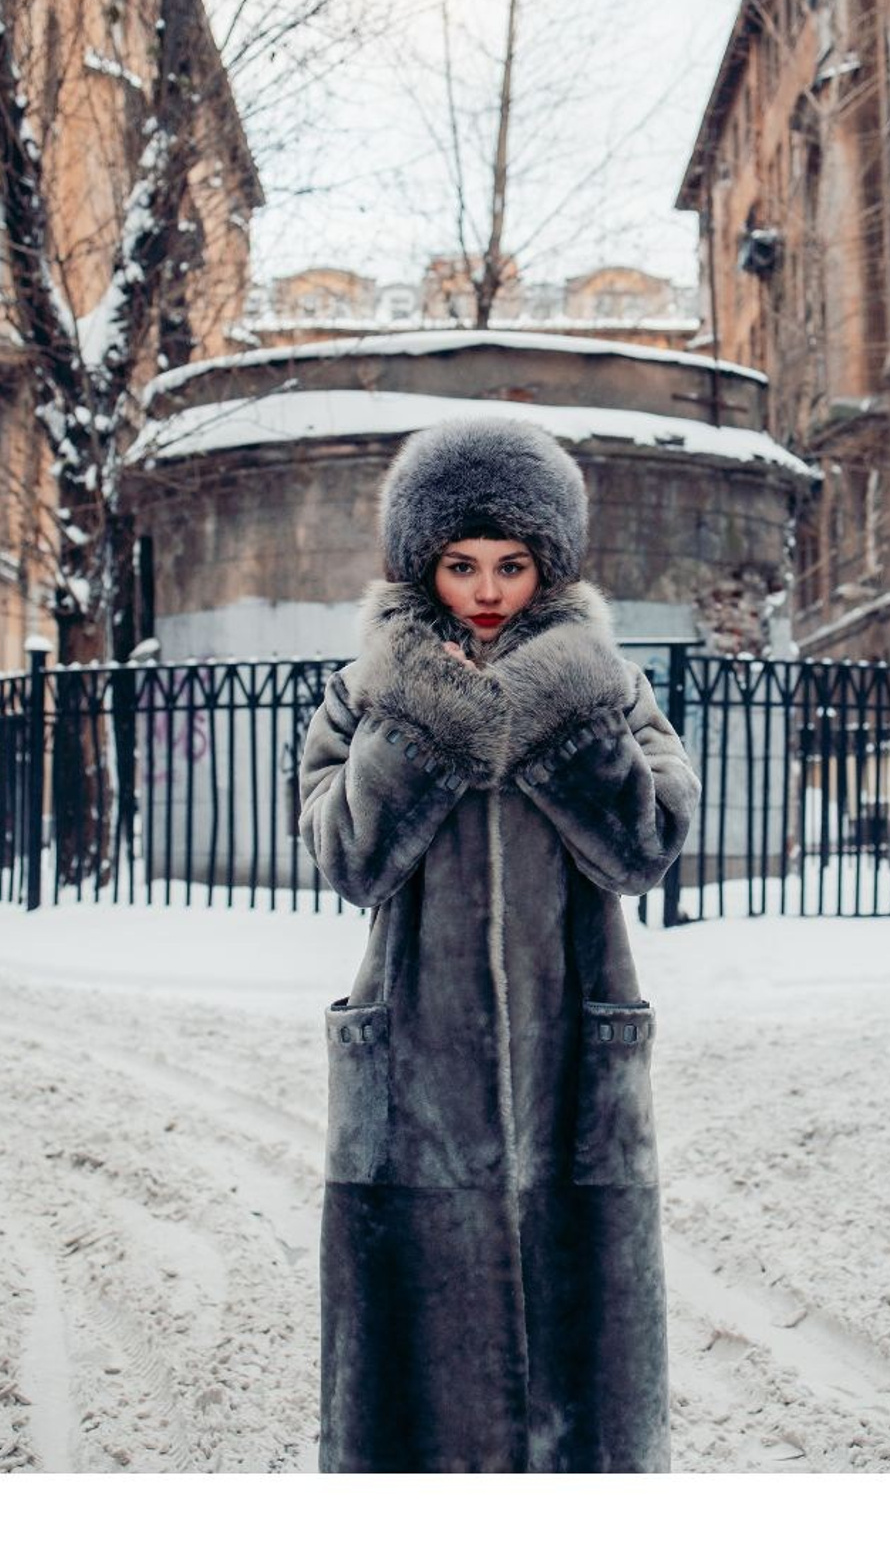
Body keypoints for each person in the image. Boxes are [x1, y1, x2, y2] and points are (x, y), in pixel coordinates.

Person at [298, 416, 700, 1472]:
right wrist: (423, 716)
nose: (486, 590)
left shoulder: (608, 687)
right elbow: (350, 861)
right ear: (421, 565)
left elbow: (646, 845)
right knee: (412, 1400)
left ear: (549, 565)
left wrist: (561, 715)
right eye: (460, 563)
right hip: (417, 1068)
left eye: (513, 565)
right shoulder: (365, 693)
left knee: (582, 1389)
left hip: (573, 1058)